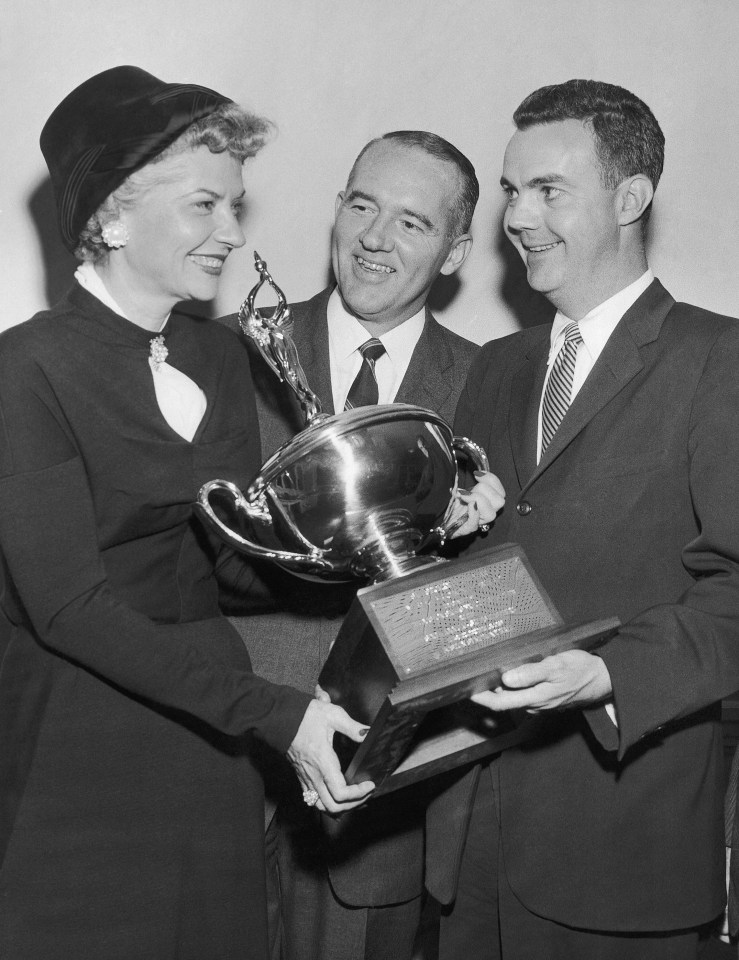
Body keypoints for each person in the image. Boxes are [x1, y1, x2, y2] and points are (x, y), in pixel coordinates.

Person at [0, 65, 375, 960]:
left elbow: (235, 567)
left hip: (211, 741)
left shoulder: (218, 355)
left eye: (235, 207)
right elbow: (68, 609)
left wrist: (372, 540)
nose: (233, 235)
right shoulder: (26, 372)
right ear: (111, 217)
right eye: (205, 206)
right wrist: (278, 716)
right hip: (81, 747)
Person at [425, 79, 739, 960]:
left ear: (630, 198)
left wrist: (604, 677)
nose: (517, 216)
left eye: (547, 190)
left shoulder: (718, 359)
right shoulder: (494, 366)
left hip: (622, 853)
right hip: (468, 843)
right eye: (511, 190)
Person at [221, 130, 501, 960]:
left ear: (453, 253)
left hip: (375, 801)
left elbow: (496, 606)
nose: (375, 238)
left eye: (412, 223)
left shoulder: (492, 382)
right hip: (224, 770)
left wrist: (459, 538)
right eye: (361, 205)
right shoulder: (230, 350)